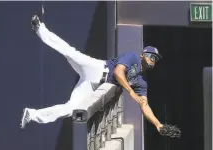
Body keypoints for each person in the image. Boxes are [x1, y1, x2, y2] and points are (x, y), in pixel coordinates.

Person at [20, 15, 181, 138]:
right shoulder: (133, 57)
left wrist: (158, 125)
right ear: (143, 54)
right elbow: (118, 72)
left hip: (94, 87)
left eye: (155, 58)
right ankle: (40, 28)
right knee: (70, 52)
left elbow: (144, 105)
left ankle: (32, 114)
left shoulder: (141, 82)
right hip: (97, 69)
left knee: (71, 109)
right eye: (151, 55)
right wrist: (131, 93)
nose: (153, 59)